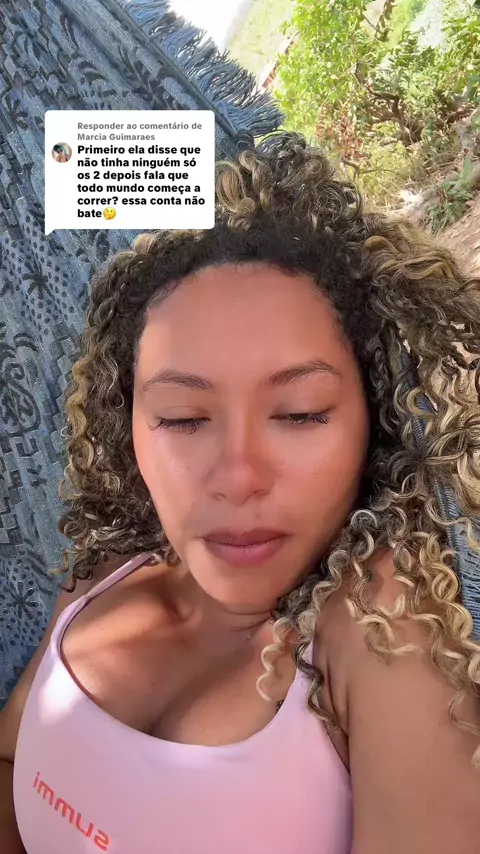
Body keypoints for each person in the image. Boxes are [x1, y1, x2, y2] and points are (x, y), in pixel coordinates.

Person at [1, 133, 479, 854]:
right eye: (183, 419)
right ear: (127, 428)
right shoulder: (100, 581)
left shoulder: (379, 630)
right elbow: (11, 757)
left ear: (375, 417)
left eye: (300, 413)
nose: (238, 475)